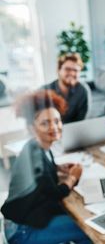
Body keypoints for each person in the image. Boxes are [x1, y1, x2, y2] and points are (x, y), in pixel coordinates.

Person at [1, 90, 90, 244]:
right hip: (22, 232)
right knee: (87, 230)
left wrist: (57, 168)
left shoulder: (35, 147)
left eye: (57, 121)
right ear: (31, 128)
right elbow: (54, 193)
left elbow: (40, 176)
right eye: (45, 123)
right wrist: (72, 177)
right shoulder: (35, 155)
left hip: (22, 222)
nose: (54, 127)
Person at [43, 53, 89, 123]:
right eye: (67, 69)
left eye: (75, 70)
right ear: (59, 70)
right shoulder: (45, 91)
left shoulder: (82, 91)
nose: (72, 73)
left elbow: (81, 121)